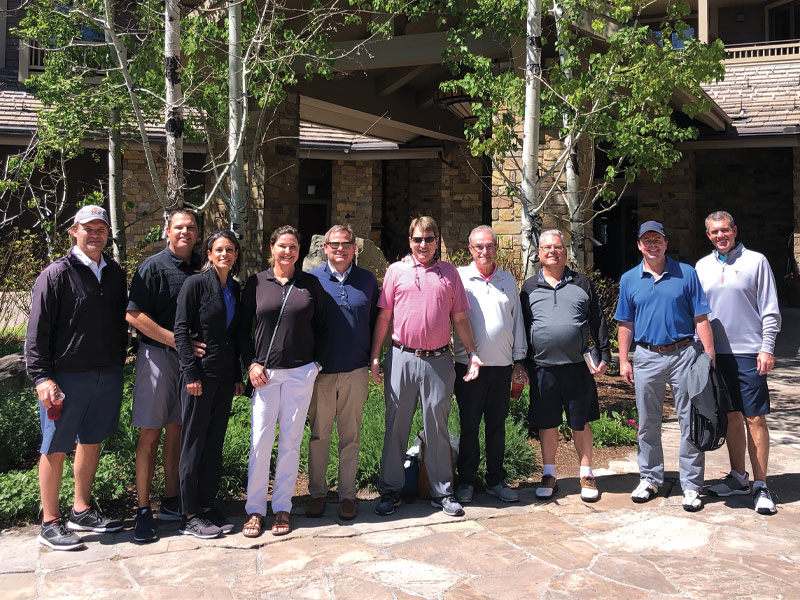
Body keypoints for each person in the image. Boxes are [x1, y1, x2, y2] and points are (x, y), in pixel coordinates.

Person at [25, 205, 127, 550]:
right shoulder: (55, 275)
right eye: (88, 228)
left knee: (91, 441)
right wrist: (41, 378)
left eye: (101, 229)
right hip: (65, 378)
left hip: (107, 373)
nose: (95, 234)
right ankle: (49, 521)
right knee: (55, 447)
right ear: (74, 231)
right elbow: (36, 334)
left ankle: (80, 509)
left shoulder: (114, 273)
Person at [370, 216, 482, 518]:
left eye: (429, 239)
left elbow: (459, 319)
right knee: (396, 427)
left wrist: (472, 353)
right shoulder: (396, 272)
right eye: (418, 239)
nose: (423, 245)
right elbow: (383, 317)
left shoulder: (449, 274)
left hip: (439, 360)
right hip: (401, 358)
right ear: (410, 241)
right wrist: (376, 356)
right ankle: (390, 490)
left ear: (437, 242)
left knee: (437, 428)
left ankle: (442, 492)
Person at [614, 221, 715, 512]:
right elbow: (625, 323)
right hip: (646, 356)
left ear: (666, 243)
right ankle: (649, 478)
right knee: (648, 422)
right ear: (639, 245)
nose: (652, 245)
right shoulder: (629, 279)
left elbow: (701, 318)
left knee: (690, 421)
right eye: (646, 240)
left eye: (657, 239)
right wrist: (623, 359)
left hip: (684, 354)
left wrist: (708, 357)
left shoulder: (687, 274)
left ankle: (692, 486)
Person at [239, 225, 327, 537]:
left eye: (292, 247)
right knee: (260, 442)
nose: (287, 252)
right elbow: (240, 329)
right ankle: (254, 509)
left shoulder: (310, 285)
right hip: (264, 375)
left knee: (291, 442)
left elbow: (325, 327)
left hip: (300, 374)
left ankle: (282, 507)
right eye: (282, 246)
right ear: (272, 249)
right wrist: (250, 363)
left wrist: (316, 364)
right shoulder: (256, 283)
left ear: (299, 251)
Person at [695, 211, 781, 514]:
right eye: (714, 232)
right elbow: (697, 312)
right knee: (730, 416)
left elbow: (770, 309)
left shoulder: (756, 262)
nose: (721, 236)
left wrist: (766, 348)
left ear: (735, 230)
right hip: (715, 354)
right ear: (708, 235)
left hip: (749, 352)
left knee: (754, 417)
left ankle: (761, 485)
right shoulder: (702, 267)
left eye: (725, 230)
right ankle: (738, 477)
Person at [126, 208, 202, 543]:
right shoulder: (152, 267)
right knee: (150, 434)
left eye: (191, 227)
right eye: (179, 227)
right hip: (157, 357)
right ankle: (144, 510)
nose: (185, 232)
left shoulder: (203, 266)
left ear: (198, 233)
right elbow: (133, 314)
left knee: (178, 433)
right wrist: (173, 338)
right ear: (167, 230)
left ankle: (172, 501)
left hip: (190, 364)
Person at [521, 229, 612, 502]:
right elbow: (523, 329)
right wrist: (522, 364)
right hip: (542, 368)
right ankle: (549, 474)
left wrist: (605, 355)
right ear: (539, 254)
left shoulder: (582, 283)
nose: (552, 251)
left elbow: (598, 319)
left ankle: (586, 473)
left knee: (580, 421)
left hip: (577, 367)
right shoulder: (528, 288)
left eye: (558, 247)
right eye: (547, 247)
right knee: (547, 423)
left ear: (565, 252)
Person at [173, 230, 243, 539]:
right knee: (193, 443)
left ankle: (206, 504)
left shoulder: (235, 288)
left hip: (225, 377)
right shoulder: (195, 284)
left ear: (236, 255)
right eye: (219, 249)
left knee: (214, 442)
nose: (225, 254)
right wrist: (190, 374)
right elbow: (180, 331)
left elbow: (237, 335)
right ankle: (190, 514)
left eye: (230, 249)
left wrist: (238, 375)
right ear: (209, 254)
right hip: (199, 377)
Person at [306, 225, 379, 520]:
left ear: (354, 248)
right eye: (334, 244)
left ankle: (348, 495)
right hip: (321, 372)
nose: (340, 249)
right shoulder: (311, 280)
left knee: (350, 436)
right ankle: (318, 493)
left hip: (355, 370)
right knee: (319, 435)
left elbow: (377, 321)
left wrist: (374, 359)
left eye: (345, 244)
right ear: (325, 248)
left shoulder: (368, 281)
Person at [453, 225, 528, 505]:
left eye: (490, 246)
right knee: (469, 426)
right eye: (479, 247)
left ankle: (496, 479)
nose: (485, 251)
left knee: (497, 426)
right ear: (470, 249)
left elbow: (517, 320)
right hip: (469, 366)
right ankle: (466, 481)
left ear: (496, 248)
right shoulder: (460, 277)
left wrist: (519, 360)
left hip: (501, 367)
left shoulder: (508, 280)